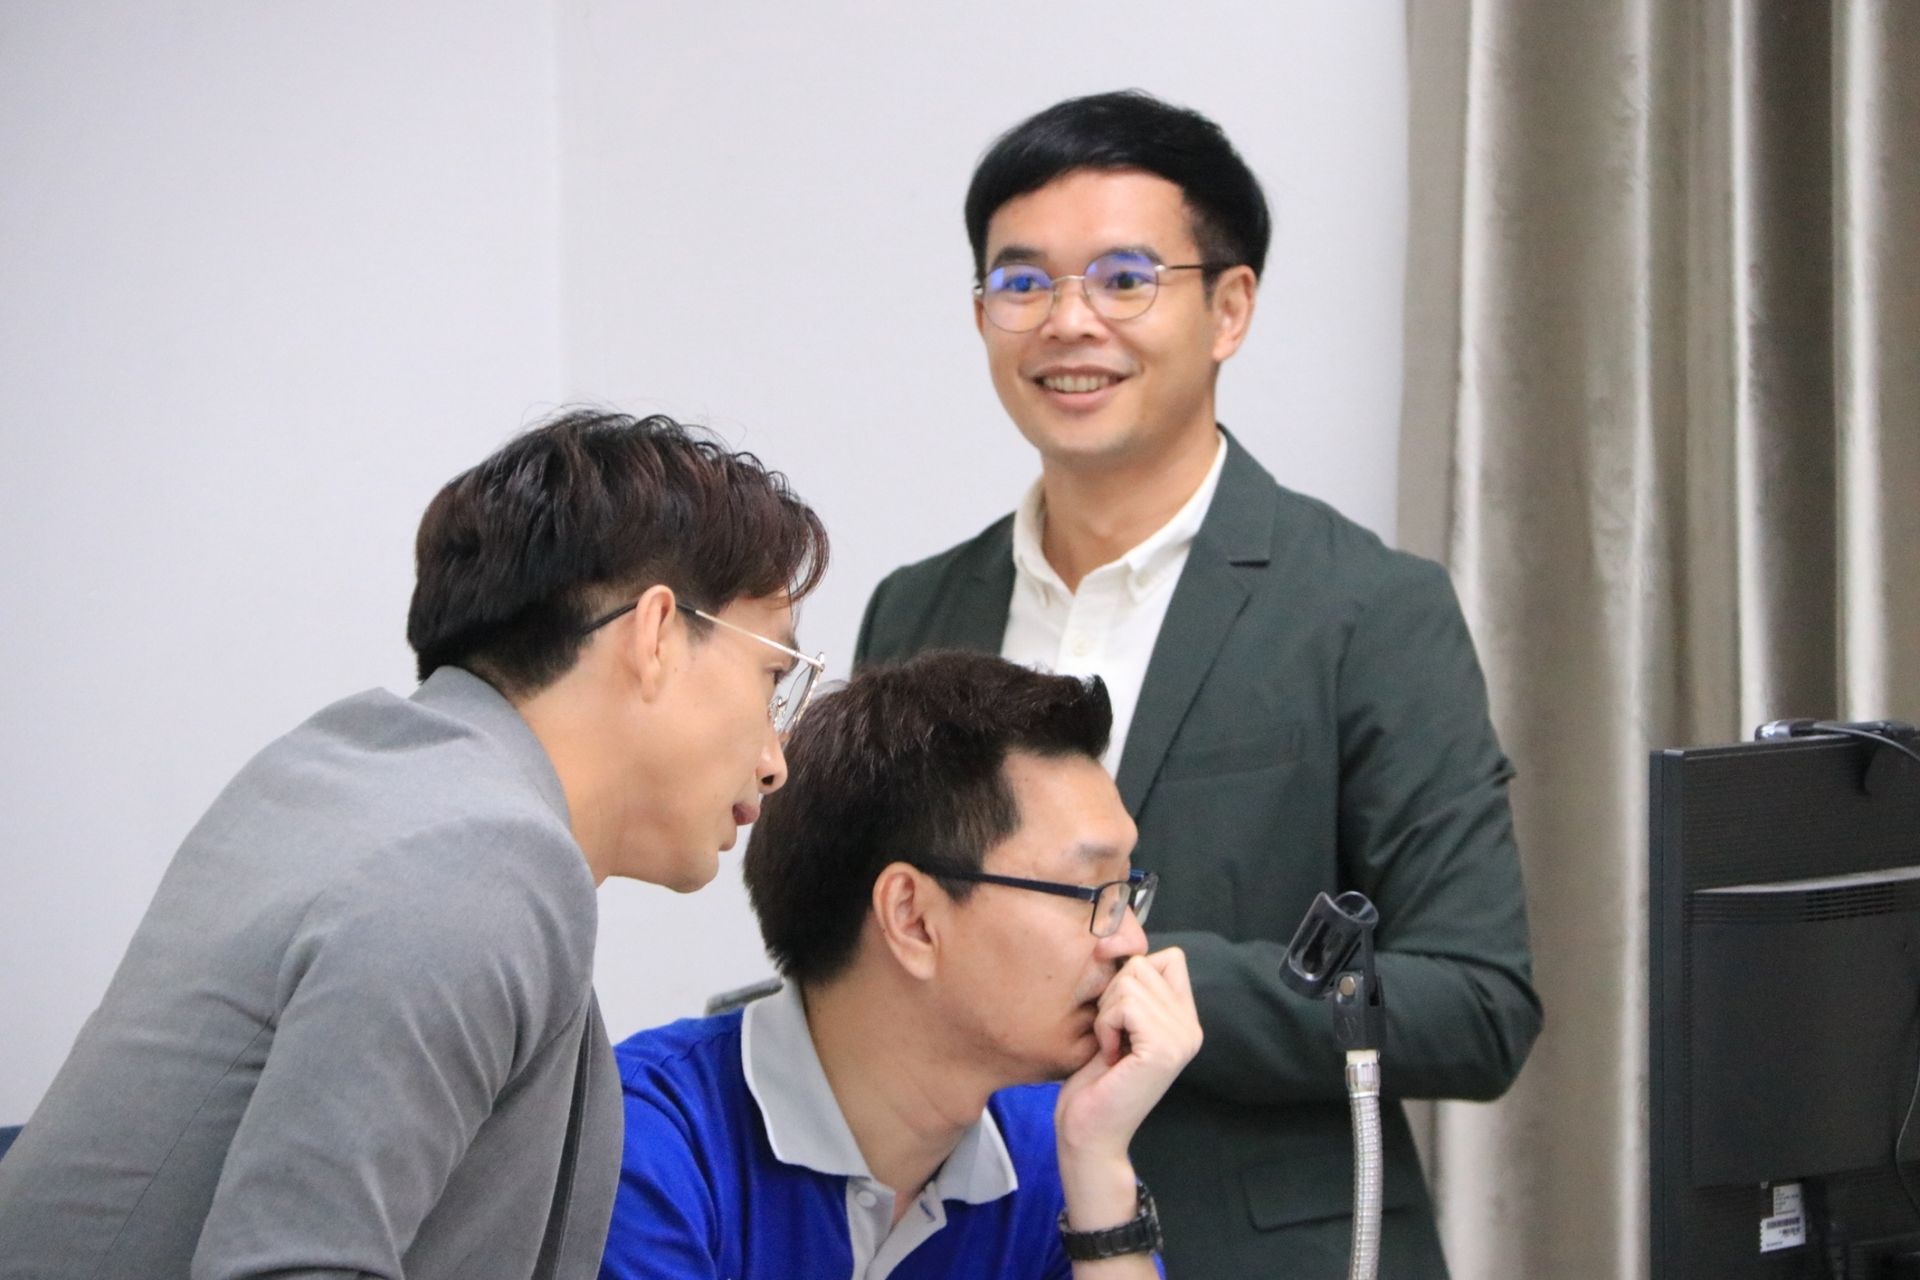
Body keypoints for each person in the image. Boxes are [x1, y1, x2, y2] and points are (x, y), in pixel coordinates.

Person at [854, 91, 1542, 1277]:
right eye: (1022, 284)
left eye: (1125, 278)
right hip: (954, 1244)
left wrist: (1159, 977)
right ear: (981, 313)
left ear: (1229, 307)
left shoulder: (1368, 608)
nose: (1069, 323)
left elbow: (1479, 1002)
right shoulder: (914, 610)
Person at [0, 409, 829, 1280]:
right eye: (773, 675)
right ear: (656, 634)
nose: (775, 763)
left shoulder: (350, 772)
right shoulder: (480, 863)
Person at [599, 651, 1201, 1279]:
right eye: (1090, 893)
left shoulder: (1054, 1153)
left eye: (1127, 892)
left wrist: (1101, 1166)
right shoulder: (646, 1138)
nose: (1131, 941)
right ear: (912, 917)